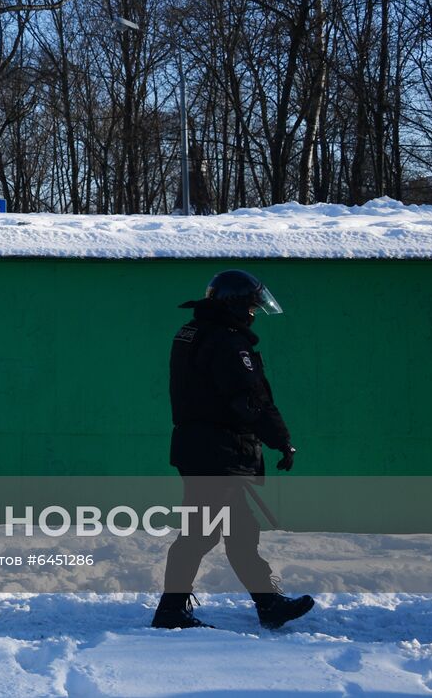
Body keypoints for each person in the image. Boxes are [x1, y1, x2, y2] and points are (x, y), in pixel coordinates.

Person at [153, 269, 315, 630]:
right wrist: (281, 439)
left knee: (240, 531)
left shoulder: (194, 333)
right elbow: (250, 400)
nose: (255, 314)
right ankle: (170, 611)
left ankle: (268, 603)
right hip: (218, 452)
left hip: (202, 449)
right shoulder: (227, 344)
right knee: (201, 533)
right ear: (237, 305)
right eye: (252, 306)